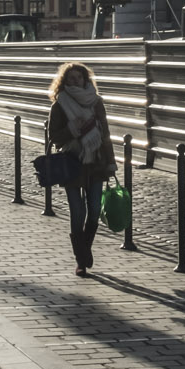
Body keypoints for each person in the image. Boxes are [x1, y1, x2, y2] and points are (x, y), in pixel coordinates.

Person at [47, 62, 113, 277]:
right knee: (78, 211)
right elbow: (54, 136)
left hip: (96, 162)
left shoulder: (96, 103)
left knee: (94, 209)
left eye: (79, 78)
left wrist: (111, 162)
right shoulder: (59, 105)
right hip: (72, 162)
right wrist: (72, 130)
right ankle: (81, 260)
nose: (75, 82)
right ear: (64, 82)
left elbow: (105, 135)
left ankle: (84, 250)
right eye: (71, 78)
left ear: (86, 80)